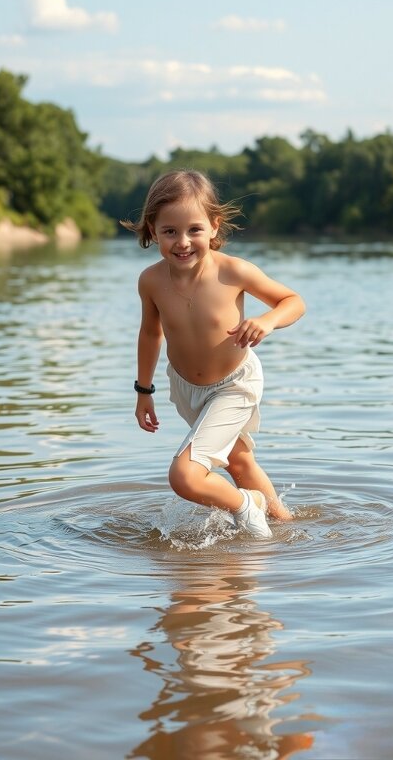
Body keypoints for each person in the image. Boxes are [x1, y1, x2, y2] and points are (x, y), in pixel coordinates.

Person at [124, 170, 306, 538]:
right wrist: (144, 390)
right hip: (186, 389)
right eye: (169, 231)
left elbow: (293, 301)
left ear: (213, 226)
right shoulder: (151, 280)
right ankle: (285, 526)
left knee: (184, 475)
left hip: (235, 384)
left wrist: (268, 321)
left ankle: (246, 505)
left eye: (194, 229)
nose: (182, 242)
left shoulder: (232, 271)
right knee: (238, 459)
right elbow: (150, 332)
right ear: (152, 230)